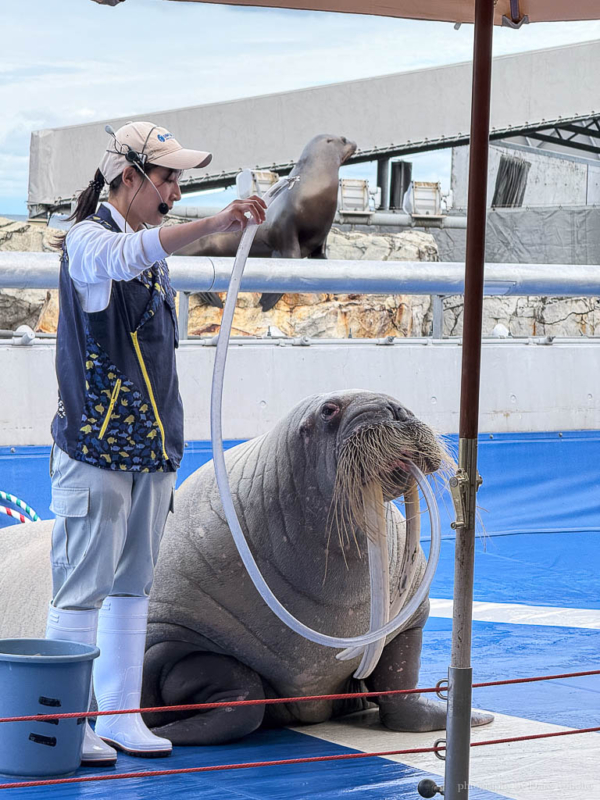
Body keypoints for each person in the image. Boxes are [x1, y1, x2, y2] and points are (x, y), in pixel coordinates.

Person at [46, 121, 266, 767]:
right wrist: (214, 224)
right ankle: (65, 720)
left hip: (148, 451)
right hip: (95, 448)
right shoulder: (89, 242)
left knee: (133, 584)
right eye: (167, 176)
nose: (176, 189)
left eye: (178, 179)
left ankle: (118, 715)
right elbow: (124, 257)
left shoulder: (155, 256)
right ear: (130, 176)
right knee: (80, 586)